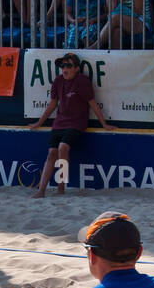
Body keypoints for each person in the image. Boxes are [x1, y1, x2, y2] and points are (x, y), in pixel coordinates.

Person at [27, 53, 116, 199]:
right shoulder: (58, 81)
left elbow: (92, 103)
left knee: (63, 147)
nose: (64, 69)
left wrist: (104, 124)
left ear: (76, 68)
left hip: (76, 123)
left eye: (68, 66)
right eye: (62, 66)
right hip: (59, 122)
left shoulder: (82, 81)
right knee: (51, 154)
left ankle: (61, 186)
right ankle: (42, 190)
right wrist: (39, 123)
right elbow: (53, 104)